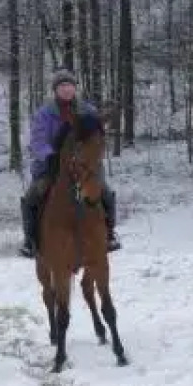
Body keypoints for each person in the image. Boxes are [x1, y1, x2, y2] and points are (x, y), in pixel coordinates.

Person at [21, 69, 121, 258]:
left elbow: (97, 138)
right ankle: (30, 240)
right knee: (31, 198)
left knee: (106, 193)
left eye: (70, 86)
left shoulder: (88, 110)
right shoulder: (44, 114)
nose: (67, 89)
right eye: (62, 86)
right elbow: (37, 142)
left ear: (75, 88)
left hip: (85, 165)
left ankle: (109, 235)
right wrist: (50, 155)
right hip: (52, 166)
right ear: (55, 90)